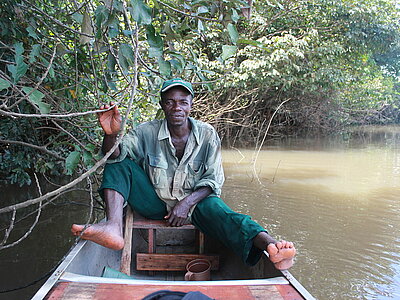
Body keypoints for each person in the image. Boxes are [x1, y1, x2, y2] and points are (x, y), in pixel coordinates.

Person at [71, 78, 296, 270]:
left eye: (182, 102)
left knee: (227, 216)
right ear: (162, 106)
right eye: (170, 102)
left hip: (197, 205)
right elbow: (115, 155)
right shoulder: (146, 132)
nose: (176, 107)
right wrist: (111, 134)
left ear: (190, 105)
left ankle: (272, 246)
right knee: (119, 164)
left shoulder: (207, 134)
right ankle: (112, 227)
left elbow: (213, 180)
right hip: (156, 203)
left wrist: (186, 203)